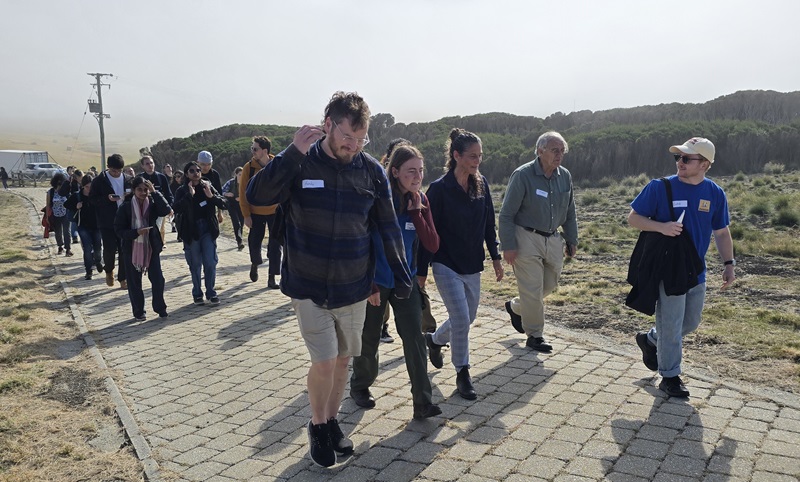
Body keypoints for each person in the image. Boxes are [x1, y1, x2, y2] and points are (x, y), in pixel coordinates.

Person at [246, 91, 412, 468]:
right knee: (323, 361)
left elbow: (387, 226)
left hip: (353, 285)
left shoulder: (370, 171)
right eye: (347, 138)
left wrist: (400, 274)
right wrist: (290, 155)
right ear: (327, 125)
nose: (353, 147)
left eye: (361, 140)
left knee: (341, 362)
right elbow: (258, 196)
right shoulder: (299, 163)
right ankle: (318, 426)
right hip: (308, 284)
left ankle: (333, 420)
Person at [630, 137, 735, 398]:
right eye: (678, 157)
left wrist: (729, 264)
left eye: (687, 158)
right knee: (673, 324)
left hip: (696, 271)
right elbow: (634, 218)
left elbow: (721, 232)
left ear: (705, 164)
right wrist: (661, 227)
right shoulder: (659, 187)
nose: (680, 162)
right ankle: (670, 377)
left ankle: (651, 339)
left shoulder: (715, 193)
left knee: (690, 322)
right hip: (668, 270)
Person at [349, 143, 442, 419]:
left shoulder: (421, 200)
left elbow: (432, 244)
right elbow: (363, 242)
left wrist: (417, 212)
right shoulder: (380, 199)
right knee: (369, 338)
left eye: (421, 171)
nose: (417, 177)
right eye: (411, 171)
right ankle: (360, 385)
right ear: (395, 171)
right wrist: (370, 284)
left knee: (414, 337)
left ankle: (422, 402)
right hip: (376, 281)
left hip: (406, 281)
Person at [419, 128, 503, 401]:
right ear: (456, 156)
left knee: (468, 317)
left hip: (472, 263)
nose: (477, 160)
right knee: (460, 318)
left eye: (480, 155)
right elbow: (427, 233)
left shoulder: (482, 184)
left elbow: (489, 223)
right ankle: (463, 372)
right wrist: (421, 271)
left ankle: (433, 340)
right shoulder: (439, 190)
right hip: (446, 263)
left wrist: (496, 256)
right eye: (472, 156)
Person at [498, 131, 578, 353]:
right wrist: (508, 245)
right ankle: (535, 335)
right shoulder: (522, 175)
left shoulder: (565, 176)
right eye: (555, 150)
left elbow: (570, 210)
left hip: (553, 238)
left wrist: (572, 238)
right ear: (540, 151)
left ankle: (516, 307)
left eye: (562, 151)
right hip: (526, 237)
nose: (559, 155)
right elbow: (506, 214)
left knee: (549, 284)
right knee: (532, 288)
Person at [114, 177, 172, 321]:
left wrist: (155, 192)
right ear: (133, 190)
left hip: (151, 247)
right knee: (134, 282)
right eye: (139, 189)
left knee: (158, 279)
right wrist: (135, 233)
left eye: (145, 189)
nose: (143, 192)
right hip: (131, 249)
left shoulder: (152, 203)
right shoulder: (126, 207)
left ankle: (160, 307)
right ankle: (139, 311)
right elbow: (118, 230)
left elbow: (165, 210)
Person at [172, 161, 227, 305]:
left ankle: (211, 292)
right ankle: (197, 293)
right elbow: (175, 208)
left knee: (210, 262)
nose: (196, 173)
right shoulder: (182, 190)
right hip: (191, 230)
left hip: (208, 229)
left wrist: (211, 196)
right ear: (186, 174)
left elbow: (223, 203)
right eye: (192, 171)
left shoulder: (207, 186)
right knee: (195, 264)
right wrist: (189, 196)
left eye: (198, 170)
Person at [239, 136, 282, 288]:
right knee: (254, 242)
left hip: (275, 211)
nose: (253, 151)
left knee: (276, 245)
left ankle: (272, 277)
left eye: (255, 149)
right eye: (252, 148)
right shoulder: (248, 167)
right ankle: (255, 264)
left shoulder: (277, 164)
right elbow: (243, 192)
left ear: (265, 151)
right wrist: (246, 215)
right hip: (255, 211)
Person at [89, 153, 133, 289]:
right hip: (106, 221)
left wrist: (129, 196)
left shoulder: (129, 179)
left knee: (125, 250)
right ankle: (109, 270)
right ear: (108, 167)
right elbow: (91, 200)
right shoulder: (99, 181)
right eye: (114, 170)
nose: (116, 173)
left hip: (125, 220)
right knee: (109, 249)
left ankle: (123, 278)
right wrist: (106, 199)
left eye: (119, 170)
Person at [64, 175, 103, 280]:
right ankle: (88, 271)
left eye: (91, 186)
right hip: (83, 226)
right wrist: (76, 206)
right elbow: (66, 204)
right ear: (83, 186)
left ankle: (98, 261)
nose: (89, 189)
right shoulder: (77, 196)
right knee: (87, 248)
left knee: (98, 247)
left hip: (97, 226)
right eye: (87, 187)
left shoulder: (97, 194)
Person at [138, 155, 174, 245]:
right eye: (147, 164)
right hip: (143, 210)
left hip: (159, 210)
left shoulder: (161, 177)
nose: (150, 165)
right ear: (142, 166)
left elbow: (168, 194)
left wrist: (170, 207)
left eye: (151, 163)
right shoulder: (139, 178)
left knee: (156, 230)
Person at [196, 150, 226, 228]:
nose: (206, 167)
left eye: (209, 164)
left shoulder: (214, 174)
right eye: (203, 164)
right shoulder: (192, 173)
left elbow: (219, 193)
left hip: (210, 210)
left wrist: (220, 213)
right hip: (195, 212)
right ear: (197, 162)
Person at [46, 172, 72, 256]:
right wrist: (47, 217)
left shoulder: (66, 191)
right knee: (58, 232)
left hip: (66, 214)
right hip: (55, 214)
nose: (60, 185)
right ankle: (60, 246)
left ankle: (68, 249)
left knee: (66, 231)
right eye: (58, 183)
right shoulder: (51, 192)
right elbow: (48, 205)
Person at [221, 167, 245, 250]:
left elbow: (249, 193)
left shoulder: (246, 183)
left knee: (241, 223)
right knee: (236, 223)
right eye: (239, 175)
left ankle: (240, 238)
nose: (241, 176)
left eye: (242, 174)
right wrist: (227, 194)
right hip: (232, 204)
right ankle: (239, 242)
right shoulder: (230, 183)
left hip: (242, 205)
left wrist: (241, 198)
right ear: (236, 174)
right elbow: (221, 191)